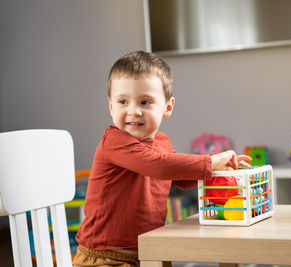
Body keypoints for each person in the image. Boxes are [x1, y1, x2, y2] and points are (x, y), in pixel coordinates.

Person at [73, 51, 251, 267]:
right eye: (123, 101)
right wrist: (211, 161)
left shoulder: (162, 142)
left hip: (150, 251)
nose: (134, 111)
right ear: (111, 107)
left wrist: (218, 168)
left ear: (167, 107)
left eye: (145, 102)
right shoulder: (113, 141)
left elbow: (180, 177)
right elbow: (158, 166)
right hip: (104, 257)